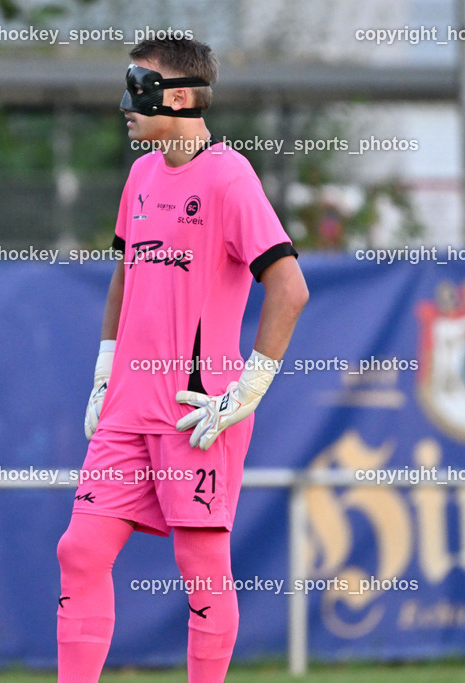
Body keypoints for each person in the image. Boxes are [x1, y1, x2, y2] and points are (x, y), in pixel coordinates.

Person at [57, 37, 308, 683]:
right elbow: (123, 274)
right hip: (125, 411)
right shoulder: (141, 174)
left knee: (201, 569)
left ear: (183, 96)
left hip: (197, 413)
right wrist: (106, 368)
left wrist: (247, 390)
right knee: (80, 550)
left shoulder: (229, 176)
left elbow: (289, 286)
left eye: (138, 85)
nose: (125, 102)